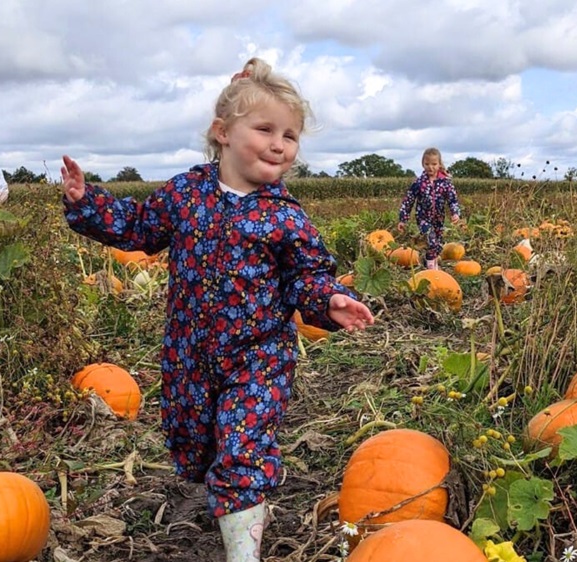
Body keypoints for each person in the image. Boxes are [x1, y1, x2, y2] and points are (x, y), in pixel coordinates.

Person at [61, 57, 374, 562]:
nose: (279, 143)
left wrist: (330, 299)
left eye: (290, 135)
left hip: (258, 358)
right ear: (222, 131)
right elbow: (138, 228)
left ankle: (242, 547)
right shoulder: (186, 193)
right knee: (197, 446)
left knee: (242, 451)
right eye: (266, 129)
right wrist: (87, 202)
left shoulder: (286, 217)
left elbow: (308, 278)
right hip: (190, 355)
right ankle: (235, 505)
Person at [396, 147, 462, 270]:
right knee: (430, 240)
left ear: (439, 164)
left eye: (434, 164)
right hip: (423, 218)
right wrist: (403, 219)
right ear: (423, 164)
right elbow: (408, 201)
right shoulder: (419, 183)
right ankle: (432, 268)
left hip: (438, 219)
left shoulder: (445, 182)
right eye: (427, 164)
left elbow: (452, 200)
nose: (430, 167)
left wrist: (455, 213)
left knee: (438, 243)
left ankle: (430, 261)